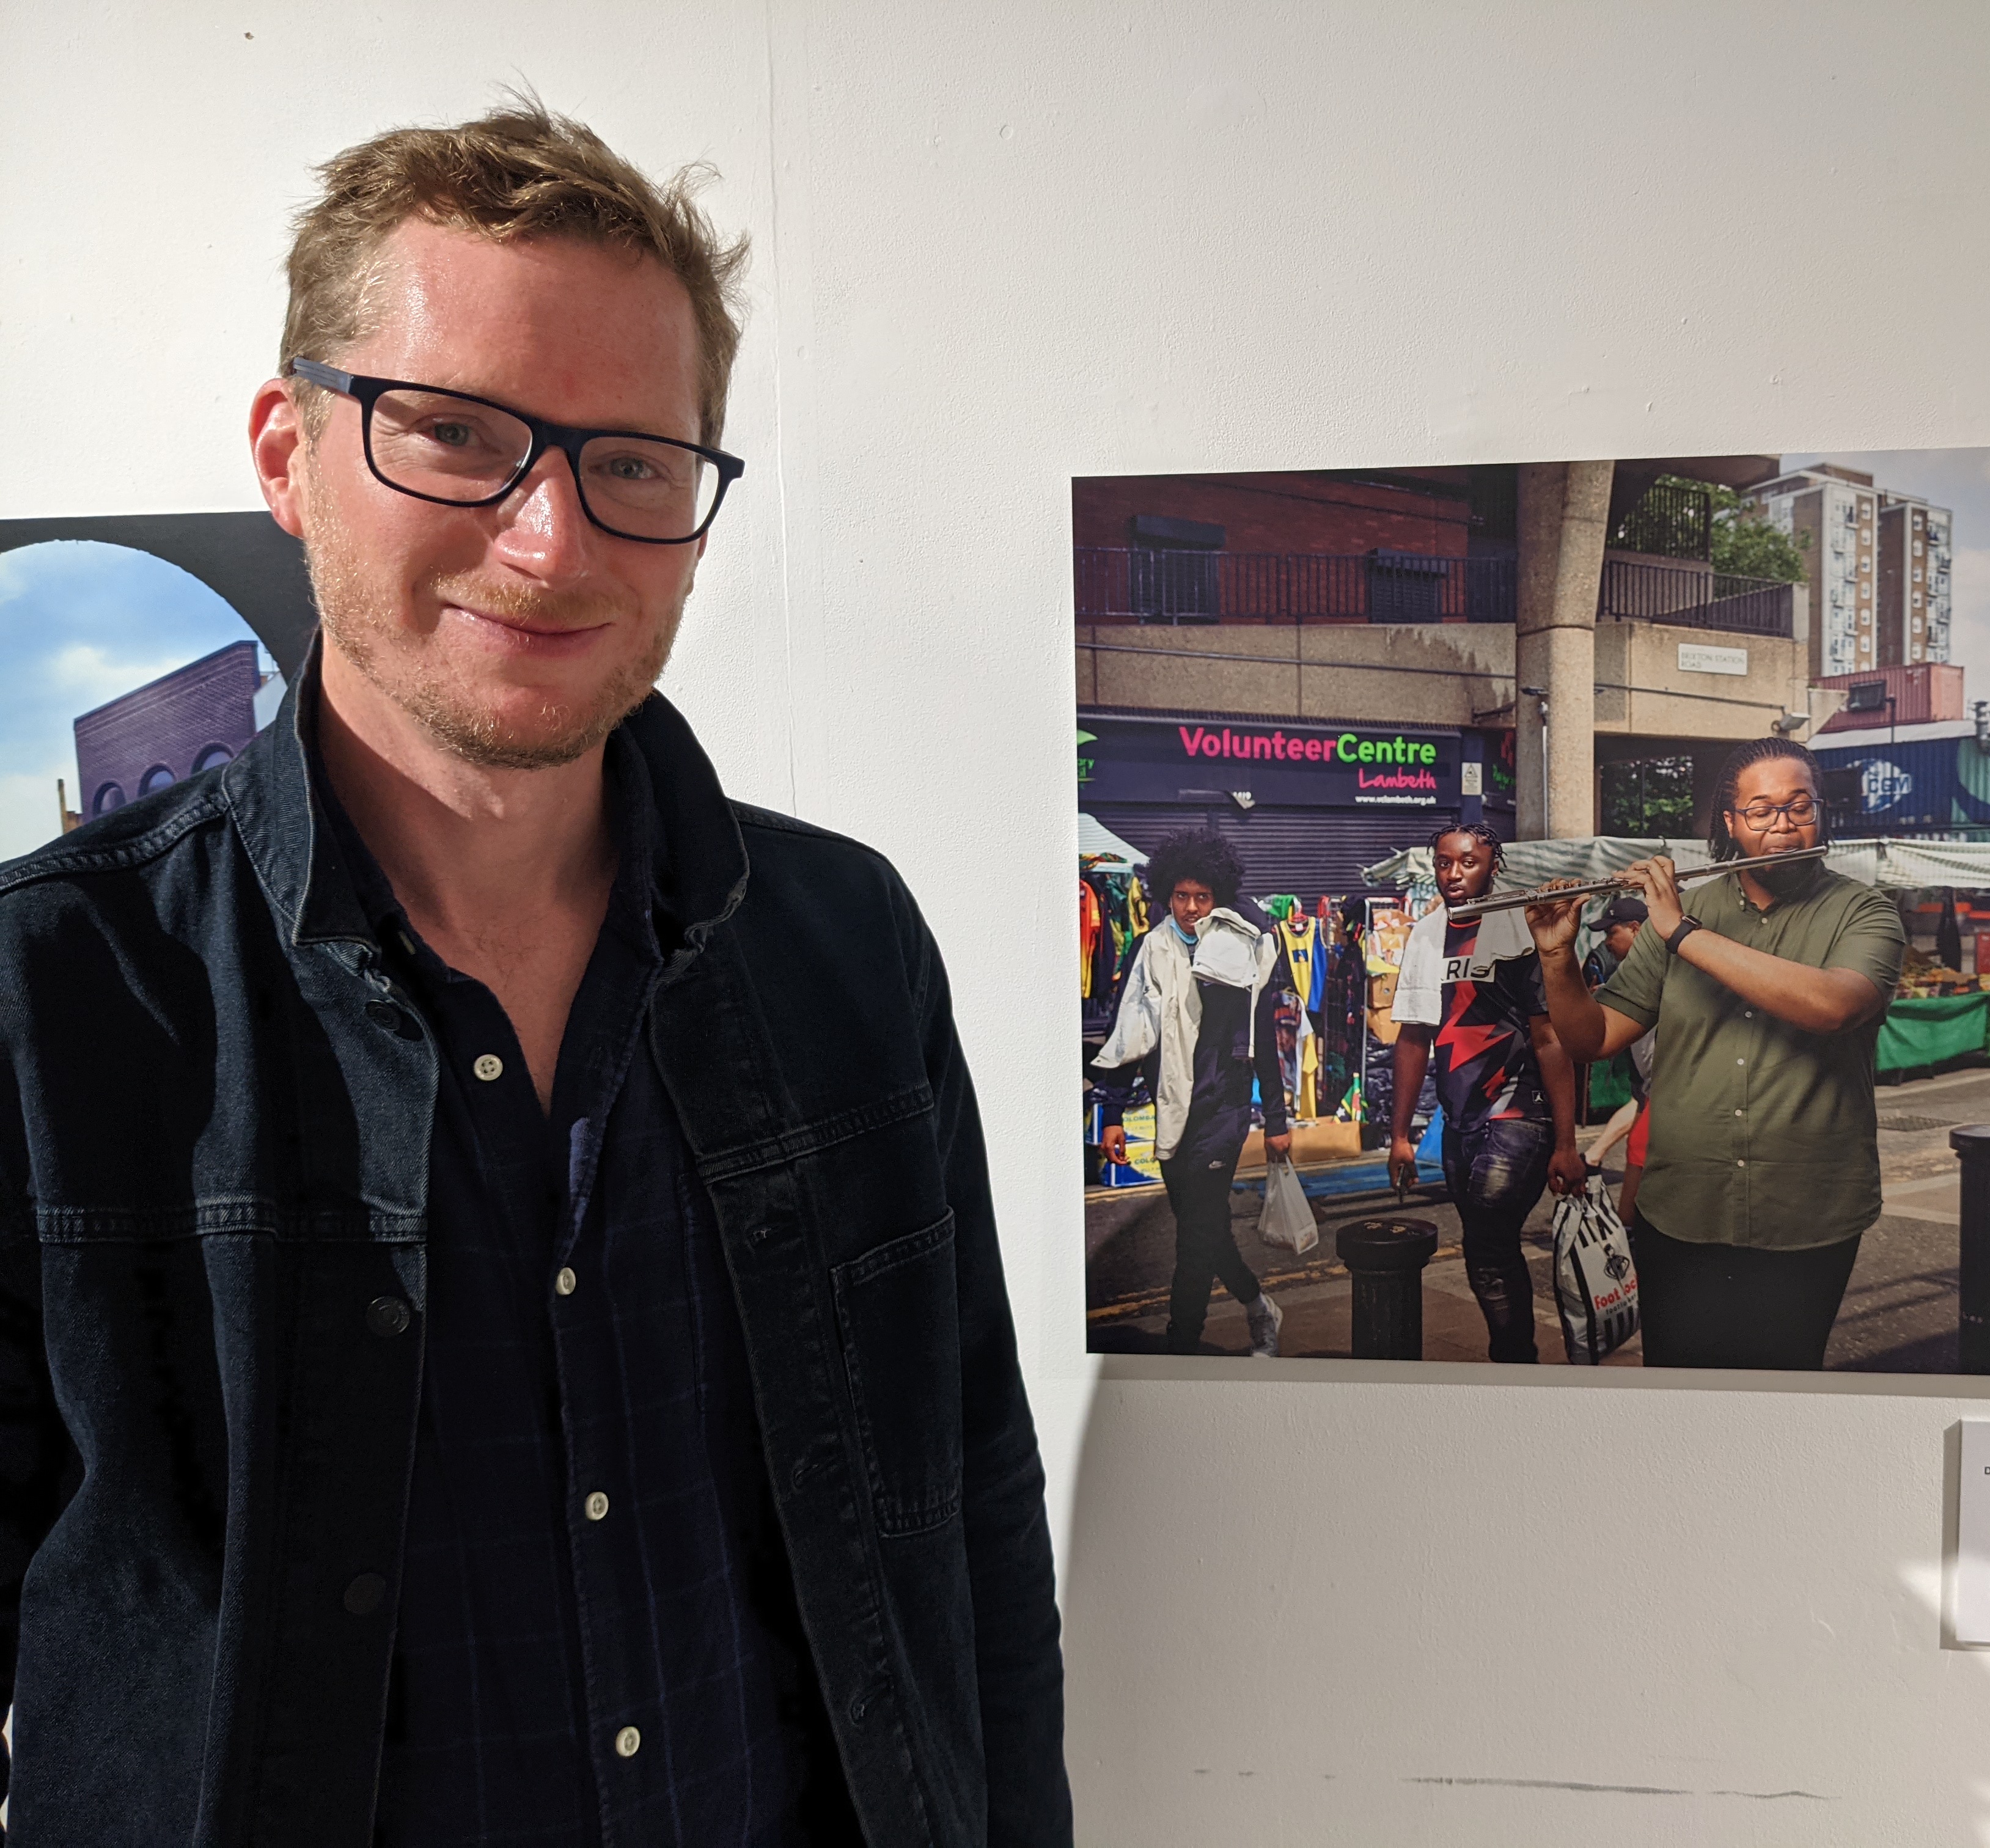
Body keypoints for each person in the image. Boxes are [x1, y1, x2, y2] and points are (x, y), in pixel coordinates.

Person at [0, 104, 1067, 1846]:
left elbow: (971, 1523)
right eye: (454, 434)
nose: (552, 541)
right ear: (287, 451)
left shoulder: (842, 942)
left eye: (632, 463)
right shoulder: (55, 997)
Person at [1528, 739, 1905, 1371]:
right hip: (1683, 1211)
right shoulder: (1687, 910)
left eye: (1799, 807)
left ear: (1822, 815)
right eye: (1760, 812)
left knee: (1781, 1392)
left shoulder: (1862, 912)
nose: (1782, 825)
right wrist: (1555, 956)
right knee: (1683, 1386)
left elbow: (1832, 1006)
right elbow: (1592, 1038)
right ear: (1729, 824)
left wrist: (1681, 933)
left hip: (1808, 1215)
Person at [1386, 823, 1587, 1363]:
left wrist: (1567, 1143)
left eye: (1468, 862)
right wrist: (1400, 1135)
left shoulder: (1521, 927)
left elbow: (1549, 1040)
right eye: (1444, 863)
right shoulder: (1427, 934)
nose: (1454, 874)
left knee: (1489, 1243)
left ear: (1493, 866)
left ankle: (1515, 1363)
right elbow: (1412, 1037)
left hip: (1520, 1114)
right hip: (1461, 1122)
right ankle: (1517, 1357)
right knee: (1486, 1247)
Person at [1090, 831, 1293, 1356]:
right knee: (1205, 1229)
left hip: (1224, 1110)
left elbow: (1263, 1039)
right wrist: (1111, 1114)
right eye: (1181, 896)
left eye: (1203, 897)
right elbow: (1128, 1033)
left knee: (1193, 1238)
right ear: (1166, 894)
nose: (1190, 908)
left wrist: (1276, 1119)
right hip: (1172, 1109)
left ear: (1218, 896)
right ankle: (1258, 1306)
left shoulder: (1240, 951)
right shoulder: (1148, 948)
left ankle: (1182, 1346)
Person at [1585, 896, 1659, 1231]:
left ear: (1635, 929)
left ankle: (1628, 1230)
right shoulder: (1631, 972)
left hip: (1671, 1093)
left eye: (1611, 933)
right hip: (1653, 1089)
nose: (1606, 943)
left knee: (1639, 1155)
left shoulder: (1664, 964)